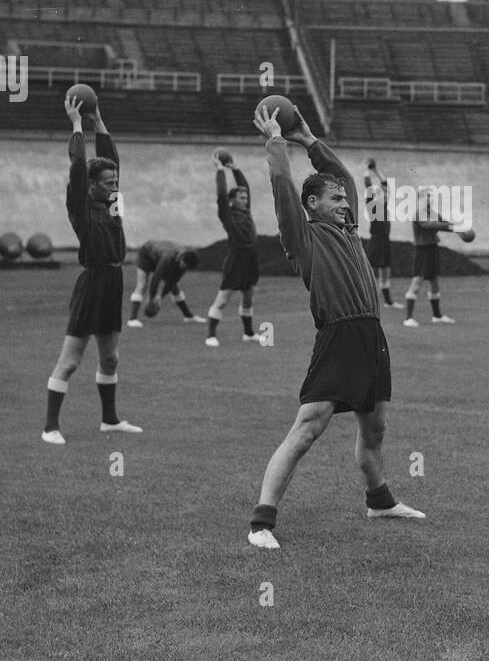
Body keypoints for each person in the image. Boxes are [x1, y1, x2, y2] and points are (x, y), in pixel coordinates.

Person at [247, 103, 424, 550]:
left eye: (346, 200)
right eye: (335, 200)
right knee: (308, 427)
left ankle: (379, 500)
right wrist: (277, 142)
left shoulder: (349, 231)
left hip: (372, 338)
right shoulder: (301, 237)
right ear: (313, 206)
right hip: (338, 338)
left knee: (375, 428)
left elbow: (343, 176)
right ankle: (261, 522)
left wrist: (309, 140)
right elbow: (284, 187)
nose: (345, 203)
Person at [40, 94, 142, 445]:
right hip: (92, 282)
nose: (115, 186)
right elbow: (76, 168)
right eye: (108, 182)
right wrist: (77, 126)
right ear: (92, 185)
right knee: (69, 363)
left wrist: (98, 119)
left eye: (115, 181)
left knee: (111, 358)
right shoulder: (80, 208)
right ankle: (50, 427)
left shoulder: (114, 204)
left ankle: (110, 420)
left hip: (114, 280)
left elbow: (112, 159)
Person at [205, 150, 260, 346]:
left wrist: (235, 168)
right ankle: (211, 335)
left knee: (248, 299)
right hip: (236, 258)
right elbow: (221, 194)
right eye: (241, 197)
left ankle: (249, 333)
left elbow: (244, 186)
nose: (245, 199)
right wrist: (220, 170)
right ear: (232, 201)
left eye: (246, 198)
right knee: (222, 299)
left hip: (251, 258)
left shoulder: (246, 212)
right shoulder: (227, 214)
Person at [402, 188, 459, 327]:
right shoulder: (418, 213)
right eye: (427, 196)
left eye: (430, 196)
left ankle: (437, 316)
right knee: (417, 281)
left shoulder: (431, 212)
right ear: (420, 198)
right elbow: (430, 225)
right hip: (423, 250)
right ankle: (408, 318)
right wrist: (451, 228)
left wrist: (457, 226)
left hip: (433, 248)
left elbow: (442, 221)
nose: (430, 199)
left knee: (434, 282)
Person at [127, 240, 202, 327]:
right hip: (147, 254)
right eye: (184, 266)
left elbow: (173, 281)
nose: (184, 268)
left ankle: (188, 316)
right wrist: (152, 298)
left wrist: (160, 297)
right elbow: (156, 278)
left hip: (159, 256)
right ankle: (132, 319)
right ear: (181, 259)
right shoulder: (168, 257)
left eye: (186, 268)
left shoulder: (185, 260)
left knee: (175, 287)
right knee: (142, 285)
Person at [364, 158, 403, 308]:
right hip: (375, 241)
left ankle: (388, 302)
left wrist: (376, 170)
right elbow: (367, 184)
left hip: (385, 241)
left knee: (385, 270)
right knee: (368, 272)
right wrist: (367, 170)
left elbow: (385, 183)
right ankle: (365, 300)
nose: (385, 195)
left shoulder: (385, 204)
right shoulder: (371, 205)